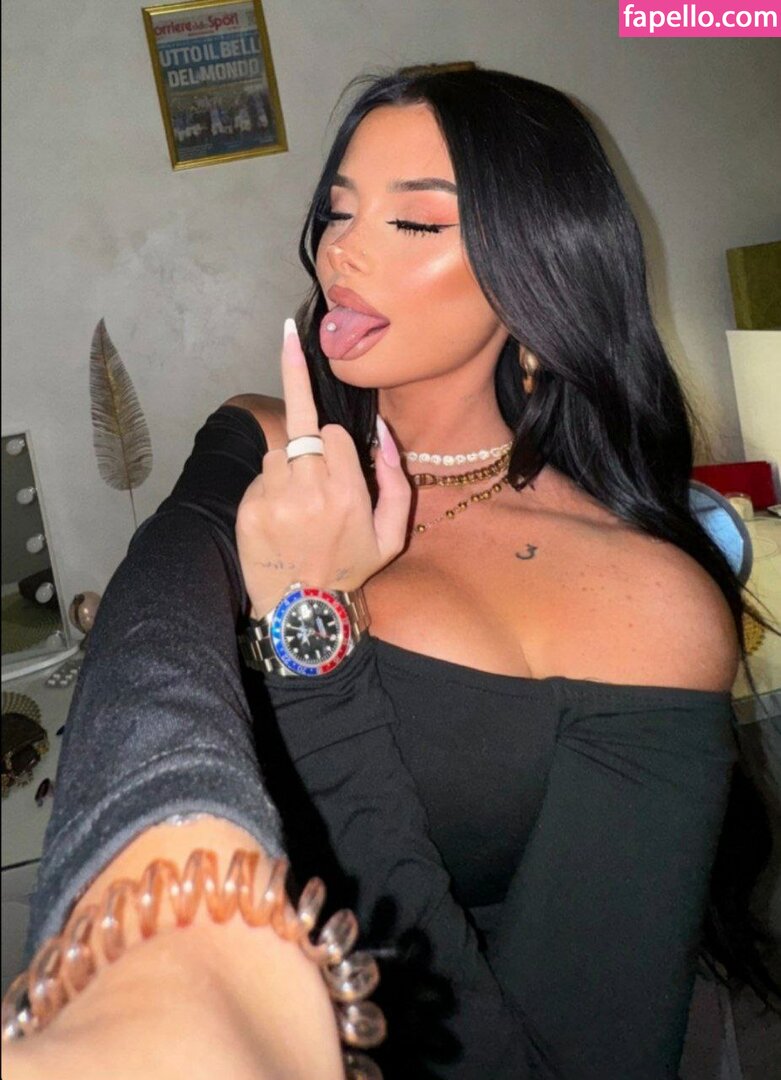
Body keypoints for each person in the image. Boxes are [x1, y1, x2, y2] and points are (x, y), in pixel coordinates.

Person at [4, 64, 779, 1079]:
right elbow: (148, 641)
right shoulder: (263, 443)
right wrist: (156, 900)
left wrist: (310, 626)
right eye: (337, 211)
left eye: (414, 222)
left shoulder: (648, 605)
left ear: (537, 270)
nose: (342, 250)